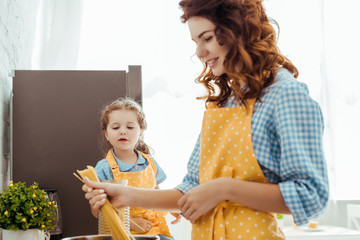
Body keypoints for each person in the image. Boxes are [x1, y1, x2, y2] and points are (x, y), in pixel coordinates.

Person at [82, 0, 329, 239]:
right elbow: (191, 190)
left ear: (240, 30)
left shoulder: (286, 95)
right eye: (195, 41)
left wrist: (224, 189)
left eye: (207, 38)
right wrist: (126, 195)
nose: (199, 53)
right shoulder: (224, 103)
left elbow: (311, 196)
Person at [93, 98, 179, 240]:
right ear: (106, 134)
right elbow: (100, 211)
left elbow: (157, 193)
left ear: (140, 132)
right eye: (115, 127)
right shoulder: (103, 168)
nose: (122, 132)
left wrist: (169, 208)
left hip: (154, 230)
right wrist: (131, 223)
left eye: (130, 127)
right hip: (120, 234)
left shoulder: (150, 162)